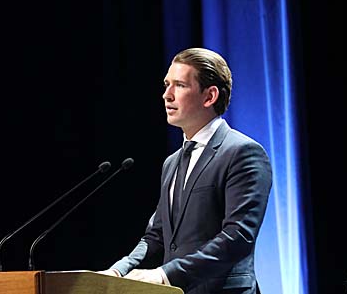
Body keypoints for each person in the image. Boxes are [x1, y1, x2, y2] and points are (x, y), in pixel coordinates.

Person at [98, 47, 272, 294]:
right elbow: (156, 236)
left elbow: (238, 237)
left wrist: (165, 274)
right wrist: (118, 271)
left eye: (179, 85)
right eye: (167, 84)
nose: (166, 95)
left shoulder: (242, 152)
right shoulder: (171, 162)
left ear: (209, 96)